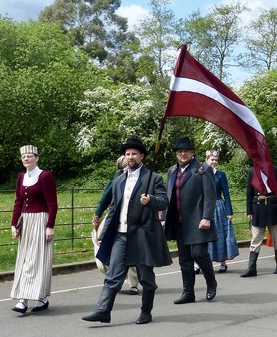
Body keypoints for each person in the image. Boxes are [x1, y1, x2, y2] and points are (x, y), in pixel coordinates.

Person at [82, 137, 171, 324]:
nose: (130, 157)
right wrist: (104, 233)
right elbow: (113, 208)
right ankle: (103, 310)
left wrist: (151, 200)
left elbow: (164, 201)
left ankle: (146, 311)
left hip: (143, 235)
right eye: (127, 154)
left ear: (142, 156)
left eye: (134, 154)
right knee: (113, 275)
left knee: (146, 278)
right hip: (121, 235)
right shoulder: (119, 180)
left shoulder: (153, 178)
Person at [163, 137, 218, 303]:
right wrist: (163, 216)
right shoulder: (172, 170)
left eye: (186, 151)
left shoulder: (203, 169)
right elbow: (169, 195)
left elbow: (210, 195)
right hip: (179, 220)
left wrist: (207, 217)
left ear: (192, 152)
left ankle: (211, 282)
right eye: (179, 151)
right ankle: (188, 293)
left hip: (198, 219)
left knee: (198, 253)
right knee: (184, 259)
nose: (182, 154)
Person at [10, 144, 58, 314]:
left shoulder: (45, 176)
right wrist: (14, 223)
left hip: (41, 220)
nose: (26, 159)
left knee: (38, 261)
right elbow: (18, 202)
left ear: (37, 158)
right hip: (26, 222)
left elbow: (52, 203)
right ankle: (26, 298)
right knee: (24, 260)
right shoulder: (21, 177)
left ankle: (37, 297)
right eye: (23, 156)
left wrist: (50, 226)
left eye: (30, 156)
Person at [91, 155, 139, 294]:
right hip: (114, 217)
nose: (128, 166)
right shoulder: (116, 180)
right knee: (102, 242)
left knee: (131, 250)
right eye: (124, 165)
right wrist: (97, 214)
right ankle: (111, 276)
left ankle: (133, 284)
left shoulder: (140, 178)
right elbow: (105, 199)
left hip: (132, 219)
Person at [241, 164, 277, 277]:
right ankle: (252, 268)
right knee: (256, 238)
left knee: (276, 237)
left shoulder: (276, 171)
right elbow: (249, 192)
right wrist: (249, 211)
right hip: (258, 207)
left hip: (272, 206)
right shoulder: (252, 171)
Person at [205, 149, 239, 272]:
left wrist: (229, 211)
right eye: (211, 159)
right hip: (204, 207)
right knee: (204, 235)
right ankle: (203, 263)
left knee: (220, 234)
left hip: (218, 206)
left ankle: (223, 262)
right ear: (206, 160)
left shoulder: (221, 174)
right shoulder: (201, 173)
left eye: (215, 160)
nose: (214, 162)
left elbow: (227, 194)